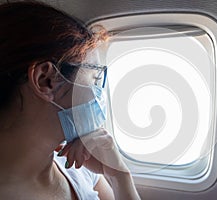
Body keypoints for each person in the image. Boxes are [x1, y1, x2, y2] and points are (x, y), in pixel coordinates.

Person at [0, 1, 140, 199]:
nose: (99, 93)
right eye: (95, 79)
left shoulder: (80, 167)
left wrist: (120, 176)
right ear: (45, 80)